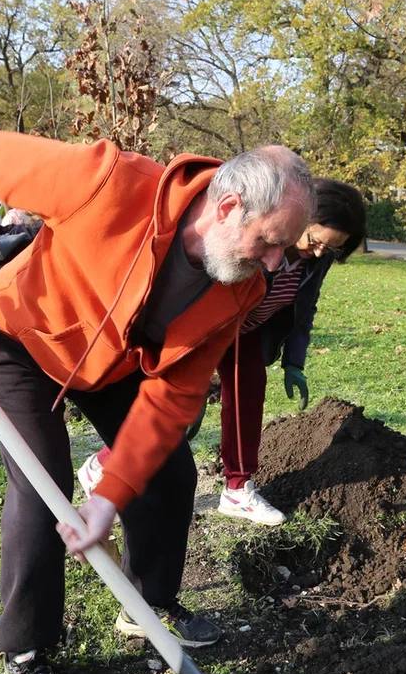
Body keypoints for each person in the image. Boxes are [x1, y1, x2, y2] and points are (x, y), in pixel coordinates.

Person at [0, 130, 314, 674]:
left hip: (117, 363)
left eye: (283, 250)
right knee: (42, 483)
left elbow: (172, 398)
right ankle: (25, 650)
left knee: (168, 471)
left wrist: (109, 497)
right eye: (270, 242)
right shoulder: (108, 181)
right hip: (25, 340)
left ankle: (147, 602)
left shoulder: (242, 286)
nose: (273, 262)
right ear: (230, 207)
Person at [78, 179, 366, 527]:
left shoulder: (315, 260)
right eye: (315, 241)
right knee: (179, 415)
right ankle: (104, 464)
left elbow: (305, 307)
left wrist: (294, 361)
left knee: (248, 395)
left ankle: (237, 489)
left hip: (250, 330)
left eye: (331, 249)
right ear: (298, 218)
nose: (319, 253)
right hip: (211, 323)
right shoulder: (262, 240)